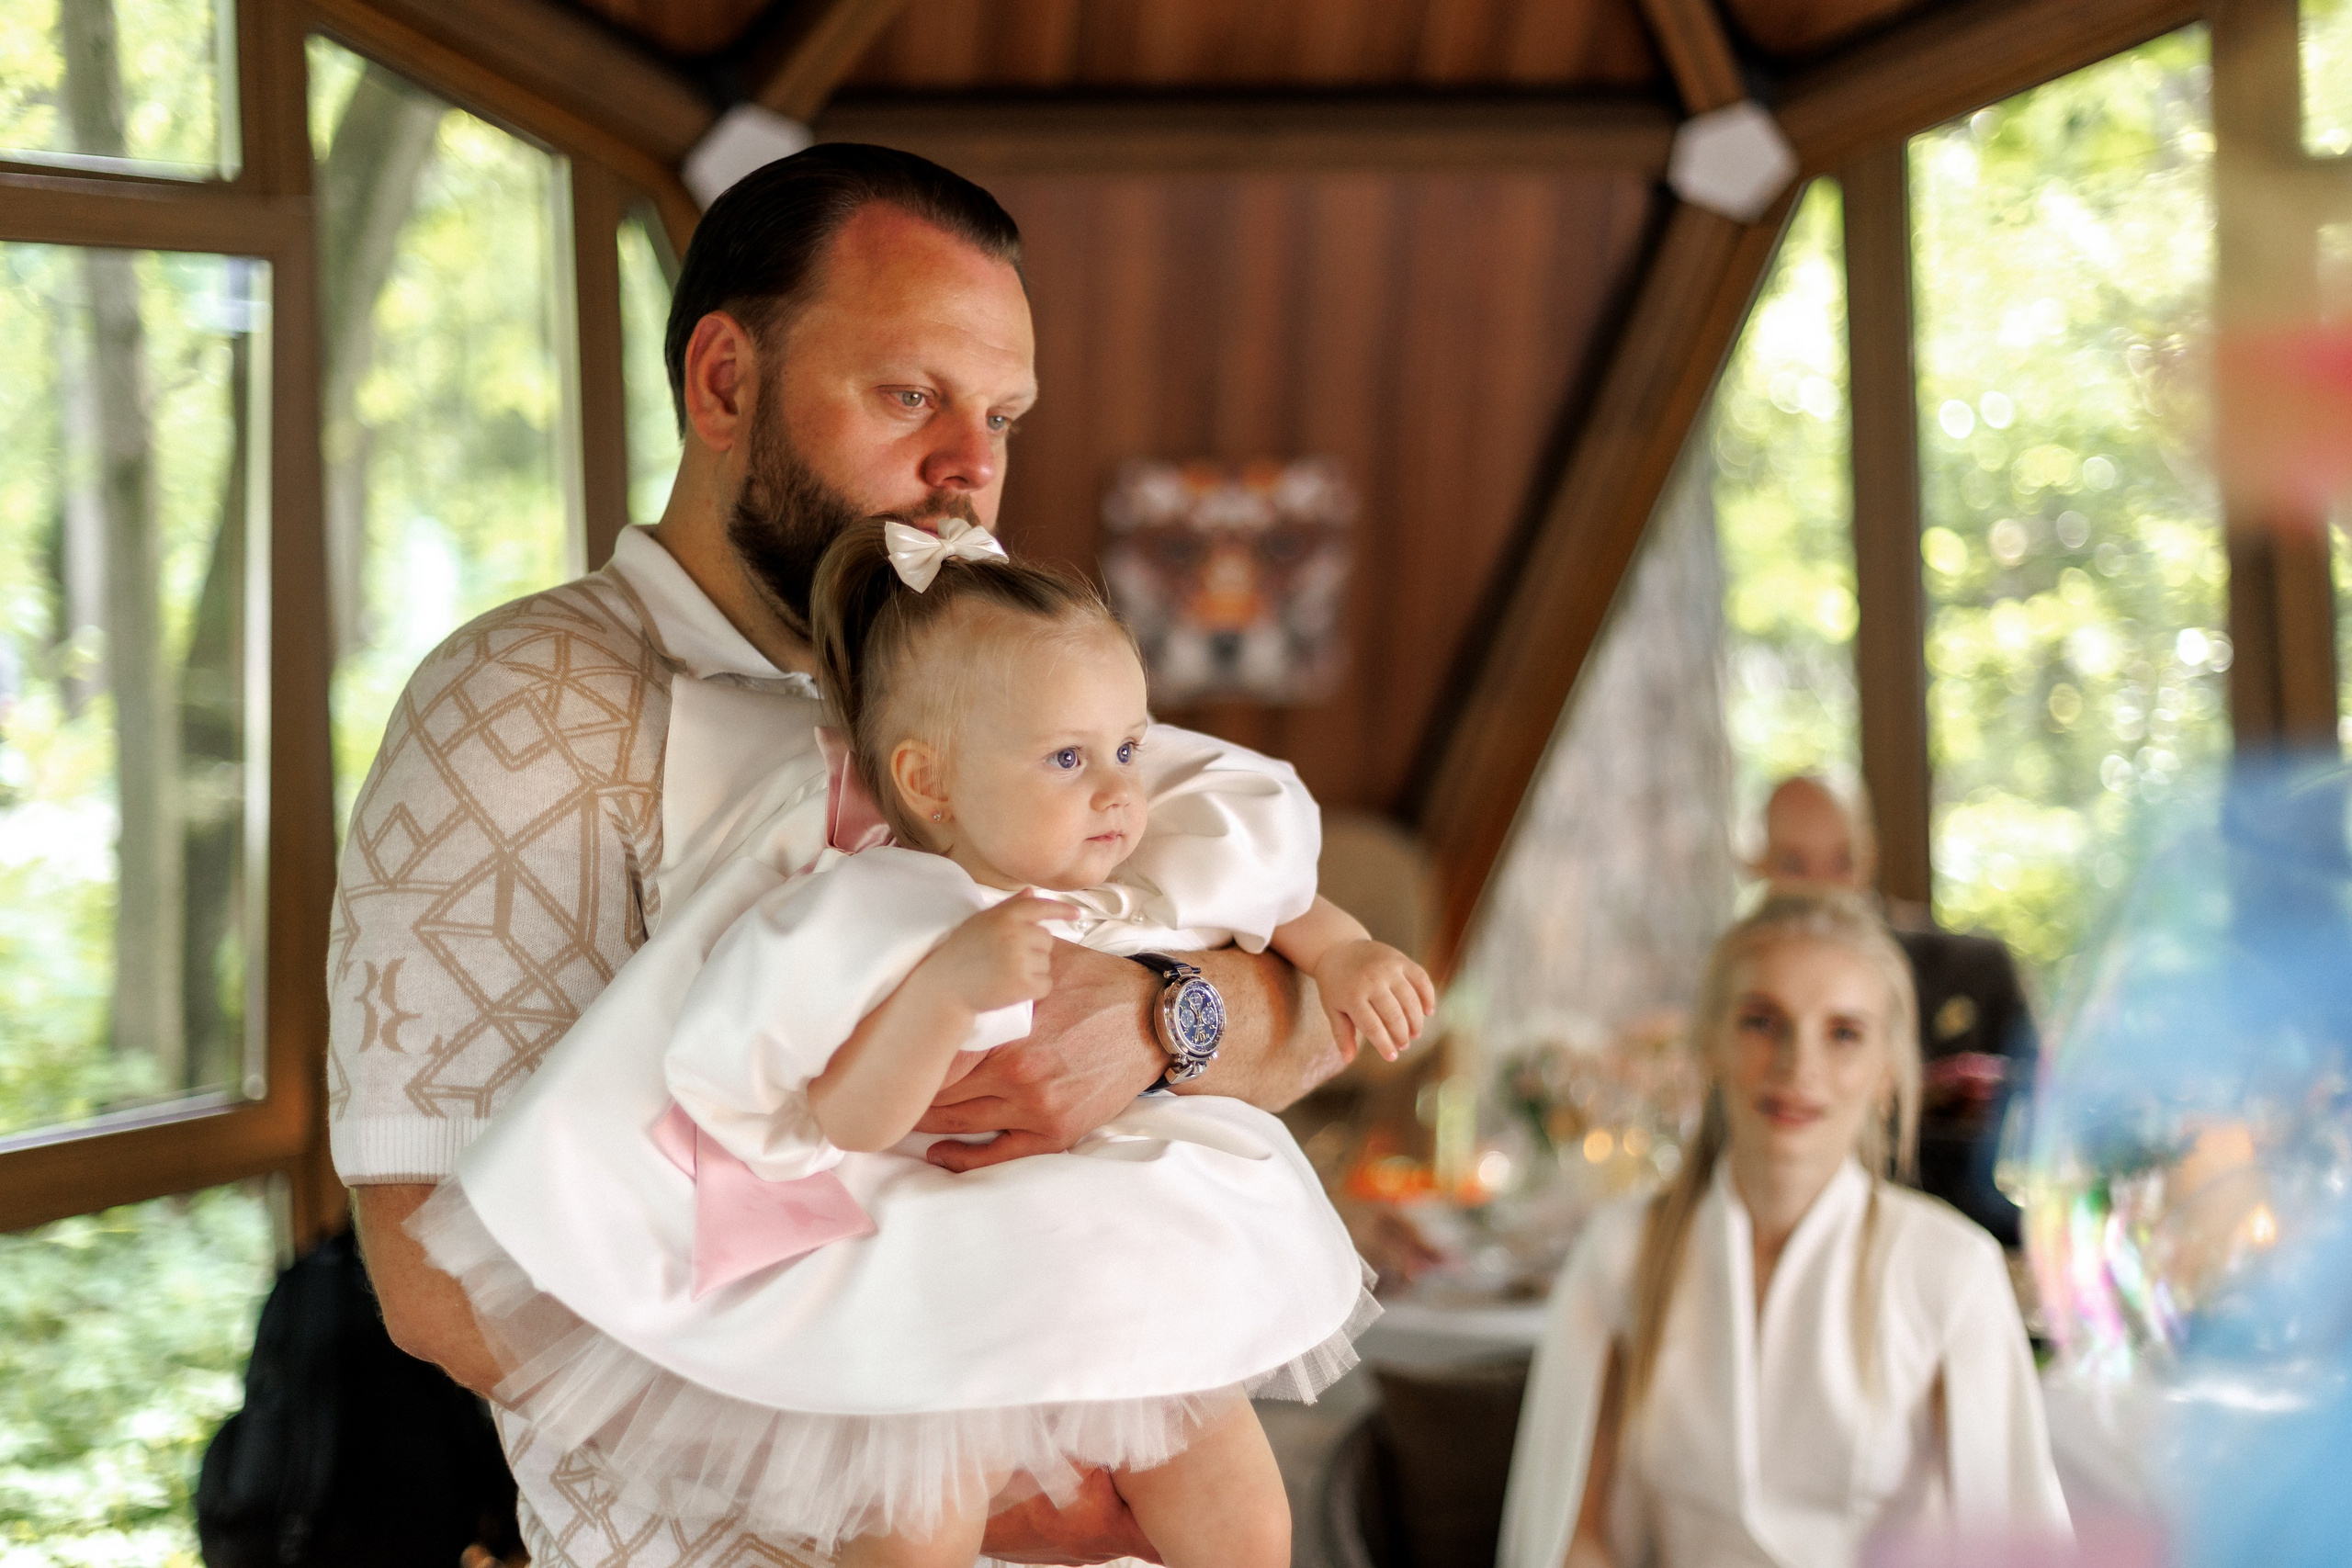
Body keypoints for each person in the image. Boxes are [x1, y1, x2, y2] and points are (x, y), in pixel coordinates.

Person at [327, 145, 1344, 1568]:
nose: (971, 466)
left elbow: (1300, 1029)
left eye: (1000, 413)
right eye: (911, 394)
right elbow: (438, 1276)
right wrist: (972, 1455)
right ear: (726, 382)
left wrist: (1166, 1016)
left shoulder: (995, 679)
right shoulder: (523, 704)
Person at [409, 522, 1429, 1565]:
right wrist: (945, 995)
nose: (1120, 788)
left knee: (1245, 1518)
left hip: (1129, 1262)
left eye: (1129, 745)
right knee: (917, 1532)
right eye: (1068, 759)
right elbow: (844, 1117)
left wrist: (1349, 959)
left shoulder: (1139, 854)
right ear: (930, 783)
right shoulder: (885, 912)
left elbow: (1278, 899)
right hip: (947, 1287)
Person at [1496, 891, 2068, 1568]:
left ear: (1888, 1072)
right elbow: (1574, 1538)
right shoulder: (1622, 1250)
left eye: (1844, 1032)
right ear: (1709, 1042)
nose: (1799, 1063)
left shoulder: (1949, 1270)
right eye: (1763, 1022)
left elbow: (2009, 1546)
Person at [1751, 775, 2036, 1247]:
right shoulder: (1744, 1011)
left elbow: (2043, 1125)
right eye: (1796, 864)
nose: (1825, 889)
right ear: (1759, 868)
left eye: (1842, 862)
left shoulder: (1975, 972)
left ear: (1870, 855)